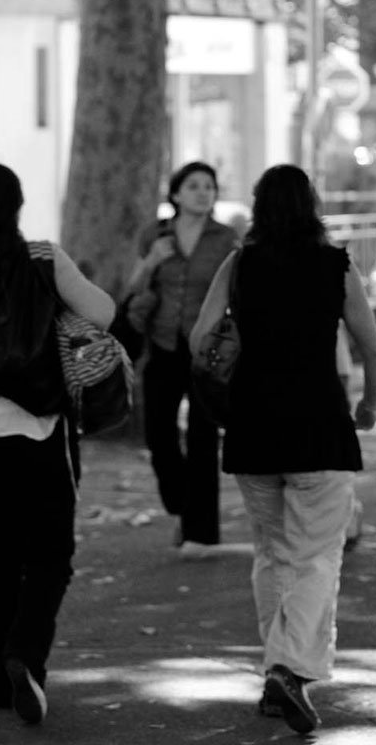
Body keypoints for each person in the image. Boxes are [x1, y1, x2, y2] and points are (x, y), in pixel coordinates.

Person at [190, 164, 376, 735]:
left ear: (258, 207)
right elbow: (372, 348)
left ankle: (278, 671)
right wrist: (369, 406)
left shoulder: (239, 264)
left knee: (273, 553)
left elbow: (201, 339)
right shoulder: (336, 265)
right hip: (320, 428)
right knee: (316, 556)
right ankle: (289, 668)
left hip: (252, 428)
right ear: (312, 206)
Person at [0, 160, 115, 725]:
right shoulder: (44, 259)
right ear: (15, 208)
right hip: (38, 425)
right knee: (51, 555)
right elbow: (103, 312)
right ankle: (25, 657)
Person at [126, 161, 241, 555]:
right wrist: (152, 260)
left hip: (209, 350)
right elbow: (134, 287)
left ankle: (201, 534)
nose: (203, 192)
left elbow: (237, 290)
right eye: (193, 185)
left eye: (209, 186)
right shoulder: (155, 235)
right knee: (158, 433)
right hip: (162, 344)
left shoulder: (225, 239)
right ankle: (180, 505)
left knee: (203, 438)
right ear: (175, 194)